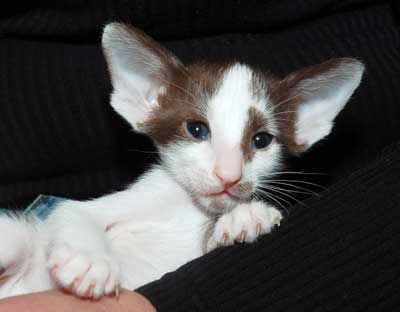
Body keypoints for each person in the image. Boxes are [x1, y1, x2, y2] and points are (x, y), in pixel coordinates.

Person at [0, 1, 399, 311]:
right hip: (28, 268)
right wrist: (88, 256)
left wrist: (241, 225)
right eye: (198, 130)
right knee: (13, 238)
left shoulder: (242, 218)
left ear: (305, 124)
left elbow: (218, 267)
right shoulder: (164, 187)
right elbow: (73, 216)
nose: (229, 171)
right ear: (145, 98)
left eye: (260, 141)